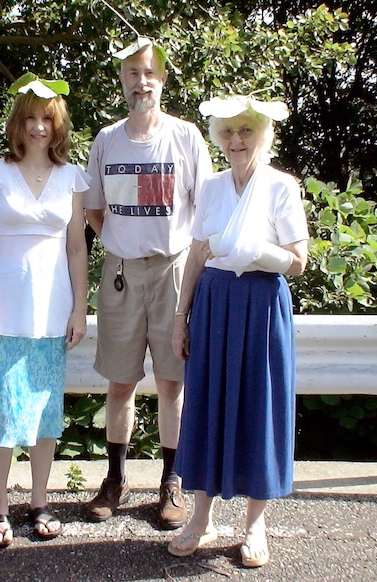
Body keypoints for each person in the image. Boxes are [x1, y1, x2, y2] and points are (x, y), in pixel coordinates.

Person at [166, 95, 309, 567]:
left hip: (262, 302)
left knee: (258, 405)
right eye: (227, 132)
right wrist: (180, 317)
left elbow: (299, 262)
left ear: (263, 135)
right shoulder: (210, 188)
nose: (235, 141)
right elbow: (198, 253)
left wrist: (257, 251)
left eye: (246, 131)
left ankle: (254, 524)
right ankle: (201, 519)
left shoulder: (281, 187)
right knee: (206, 402)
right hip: (215, 300)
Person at [83, 37, 213, 529]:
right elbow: (94, 211)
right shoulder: (106, 140)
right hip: (120, 271)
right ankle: (115, 479)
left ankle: (171, 483)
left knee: (171, 385)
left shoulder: (187, 137)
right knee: (119, 383)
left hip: (174, 269)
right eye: (132, 73)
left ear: (163, 79)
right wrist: (123, 242)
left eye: (150, 73)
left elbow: (205, 210)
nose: (142, 82)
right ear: (121, 80)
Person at [0, 74, 88, 548]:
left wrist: (80, 308)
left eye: (47, 118)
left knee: (43, 414)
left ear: (58, 126)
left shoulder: (72, 177)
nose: (39, 127)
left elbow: (78, 249)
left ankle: (39, 502)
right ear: (17, 124)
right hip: (3, 310)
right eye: (31, 118)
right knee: (0, 413)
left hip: (52, 313)